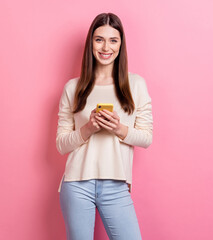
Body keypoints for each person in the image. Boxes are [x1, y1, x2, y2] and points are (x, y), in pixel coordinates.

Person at [56, 12, 153, 240]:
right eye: (99, 39)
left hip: (116, 186)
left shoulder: (135, 85)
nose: (105, 47)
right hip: (77, 184)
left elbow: (146, 138)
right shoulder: (74, 88)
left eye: (113, 40)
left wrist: (119, 128)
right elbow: (61, 144)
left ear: (121, 44)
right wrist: (88, 128)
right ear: (91, 43)